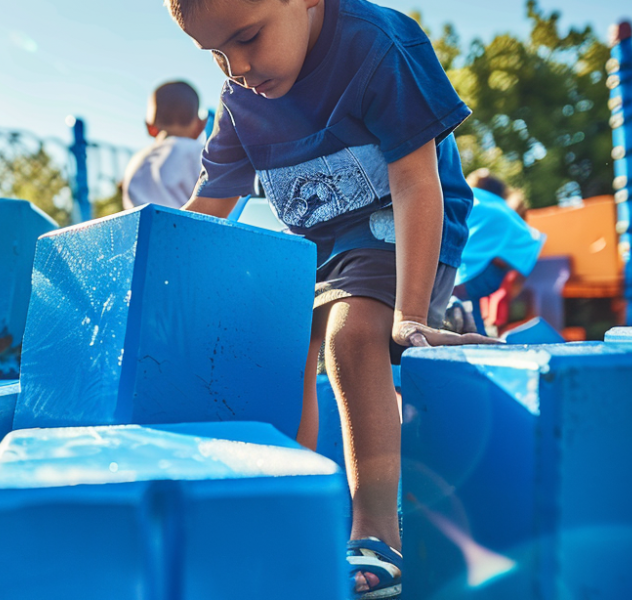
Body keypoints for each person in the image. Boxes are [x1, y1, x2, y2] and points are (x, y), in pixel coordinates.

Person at [163, 0, 496, 596]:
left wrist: (411, 314)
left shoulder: (374, 45)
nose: (236, 67)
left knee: (351, 335)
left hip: (401, 228)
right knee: (275, 347)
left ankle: (377, 532)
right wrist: (149, 269)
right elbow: (206, 210)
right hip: (318, 246)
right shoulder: (241, 101)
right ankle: (291, 501)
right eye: (216, 54)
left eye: (247, 37)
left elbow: (417, 182)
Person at [457, 169, 545, 333]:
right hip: (485, 273)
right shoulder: (501, 209)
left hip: (464, 272)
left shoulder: (468, 200)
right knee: (469, 308)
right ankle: (477, 337)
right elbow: (531, 240)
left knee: (463, 303)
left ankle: (475, 338)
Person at [122, 81, 207, 210]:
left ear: (149, 127)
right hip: (185, 228)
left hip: (142, 229)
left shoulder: (135, 162)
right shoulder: (201, 153)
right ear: (200, 126)